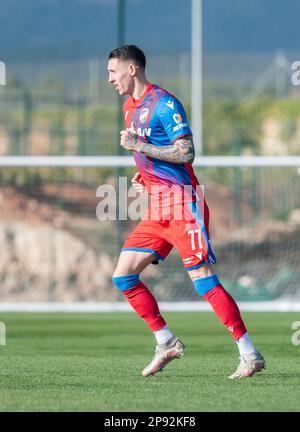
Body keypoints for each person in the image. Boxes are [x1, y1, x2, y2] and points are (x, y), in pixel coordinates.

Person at [108, 45, 266, 379]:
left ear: (132, 69)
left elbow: (186, 152)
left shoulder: (164, 104)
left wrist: (140, 147)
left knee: (203, 281)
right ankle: (165, 341)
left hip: (183, 205)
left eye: (113, 72)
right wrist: (145, 176)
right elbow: (156, 159)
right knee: (123, 275)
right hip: (157, 209)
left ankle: (249, 353)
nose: (110, 79)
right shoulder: (128, 108)